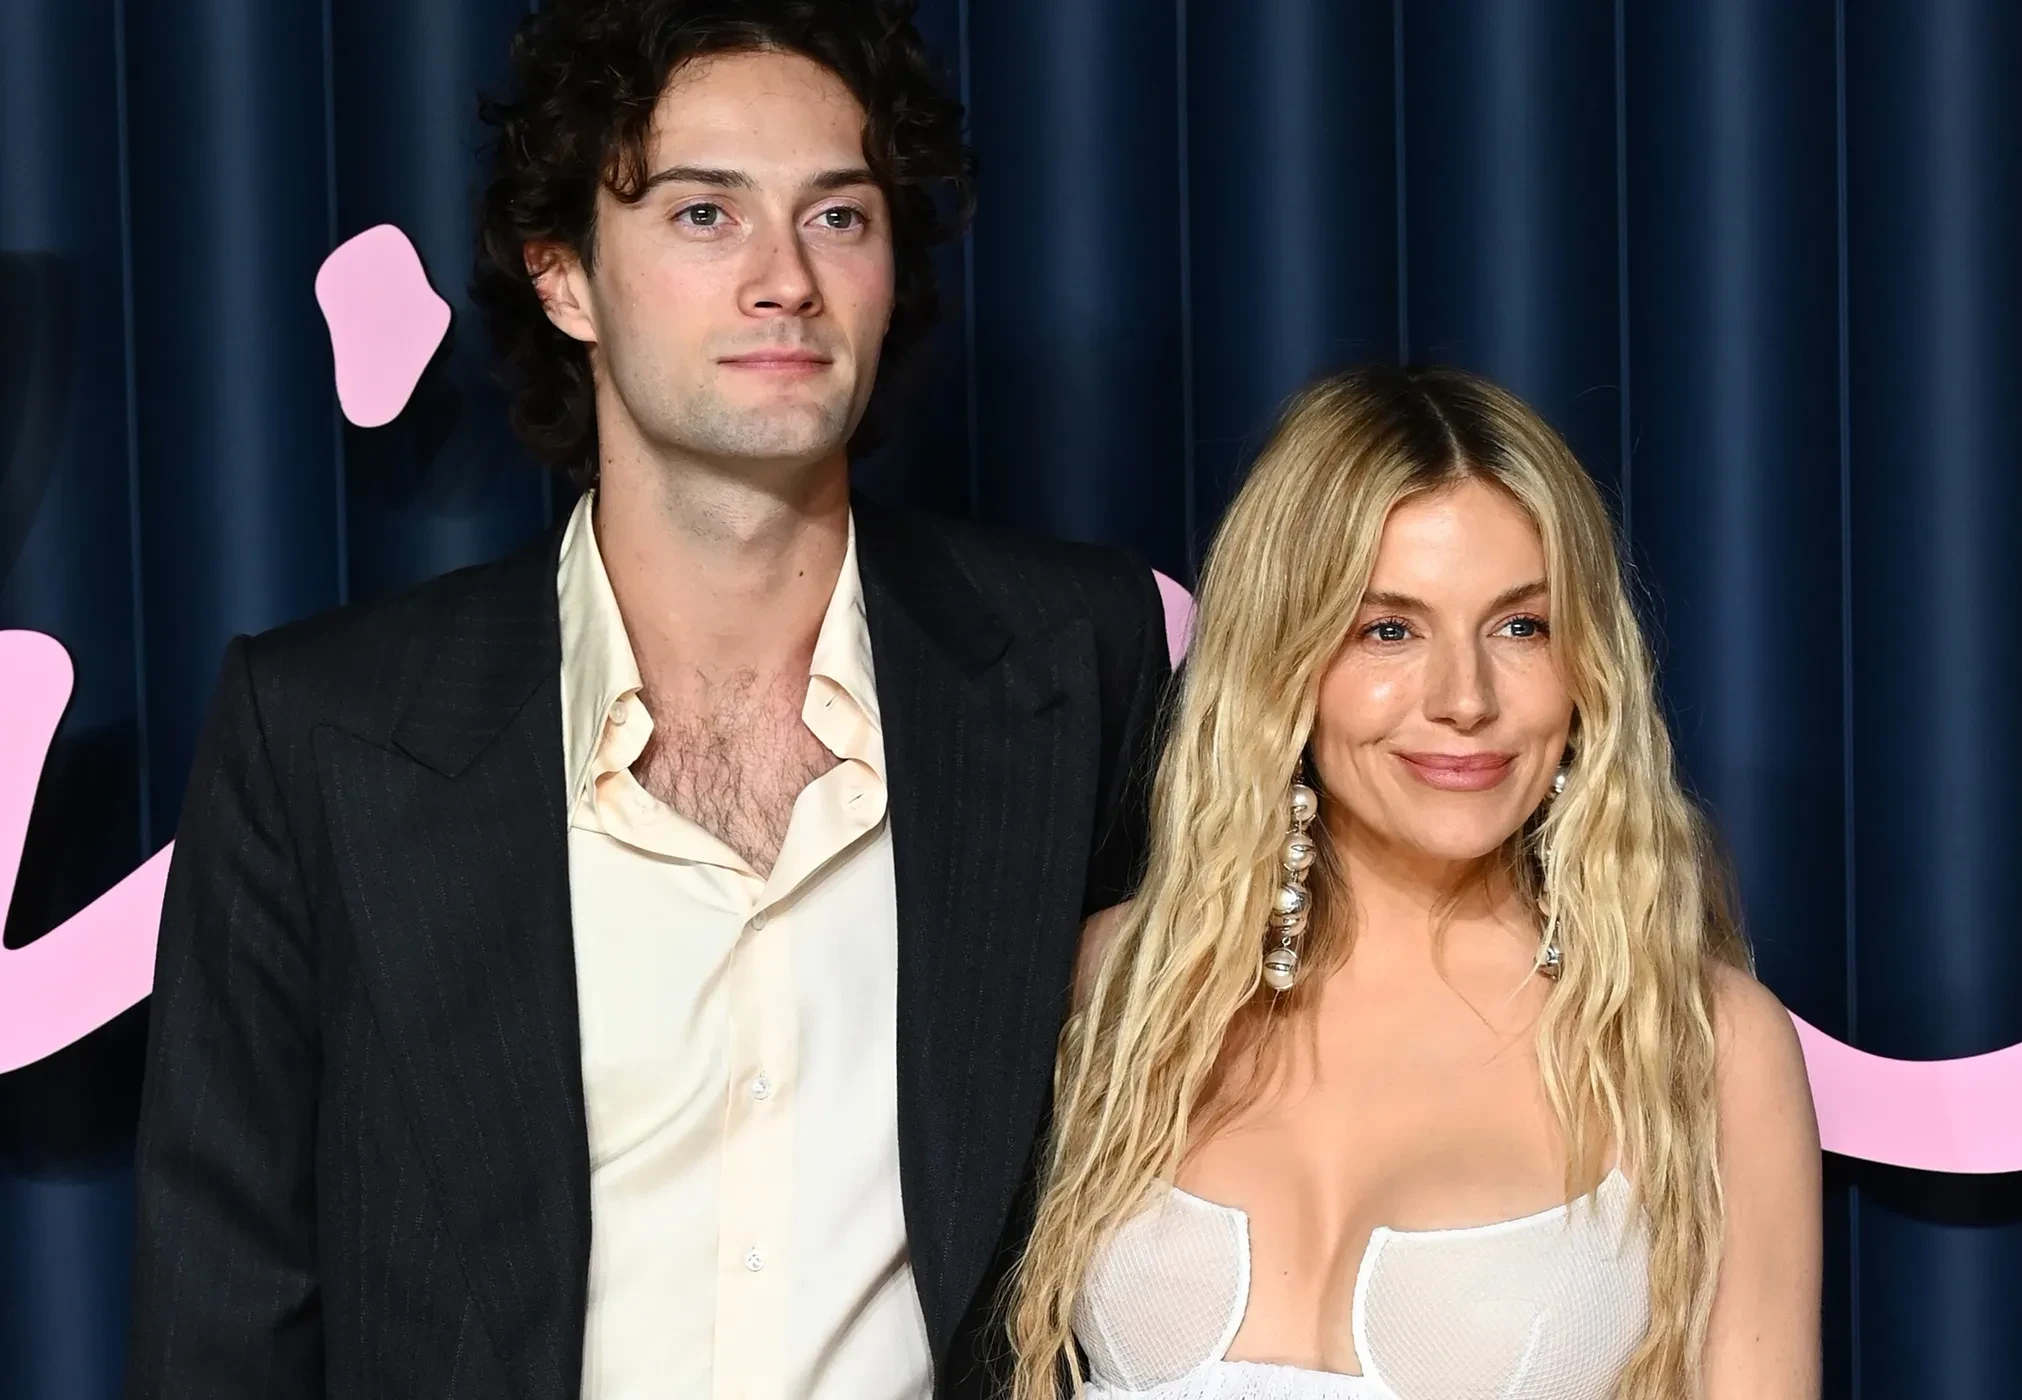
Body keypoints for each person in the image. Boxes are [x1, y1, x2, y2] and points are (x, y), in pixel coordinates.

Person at [124, 4, 1169, 1398]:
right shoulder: (322, 730)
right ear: (563, 277)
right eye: (702, 215)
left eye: (839, 217)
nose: (785, 279)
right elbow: (221, 1312)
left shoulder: (1078, 660)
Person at [1008, 365, 1821, 1399]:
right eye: (1388, 629)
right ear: (1284, 663)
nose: (1464, 698)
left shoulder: (1700, 1042)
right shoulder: (1121, 983)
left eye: (1522, 626)